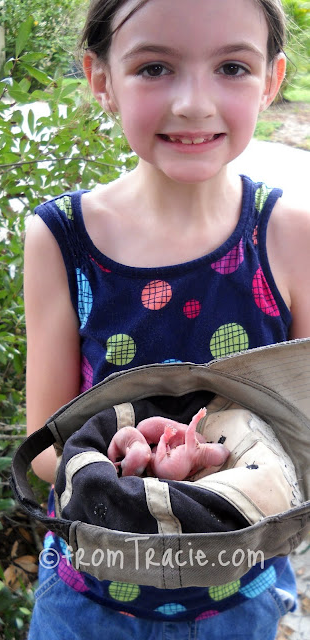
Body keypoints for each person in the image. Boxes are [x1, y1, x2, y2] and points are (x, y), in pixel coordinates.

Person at [23, 0, 310, 637]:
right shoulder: (61, 239)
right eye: (155, 67)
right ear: (102, 80)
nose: (193, 104)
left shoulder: (290, 236)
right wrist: (129, 466)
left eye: (232, 66)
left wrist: (219, 463)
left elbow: (304, 425)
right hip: (88, 604)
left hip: (244, 600)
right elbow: (45, 449)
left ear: (270, 80)